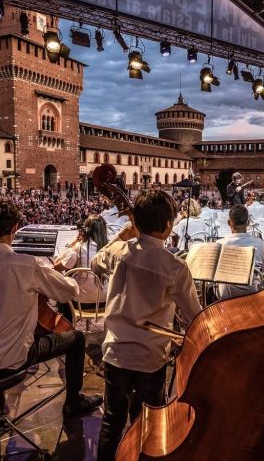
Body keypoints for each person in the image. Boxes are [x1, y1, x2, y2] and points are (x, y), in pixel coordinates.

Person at [0, 201, 101, 417]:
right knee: (77, 339)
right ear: (14, 228)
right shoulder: (27, 265)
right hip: (16, 356)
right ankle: (73, 402)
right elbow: (69, 292)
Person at [91, 189, 202, 461]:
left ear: (136, 223)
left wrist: (122, 236)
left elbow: (95, 263)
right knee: (146, 426)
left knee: (112, 422)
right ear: (168, 225)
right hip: (150, 358)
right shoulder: (175, 267)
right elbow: (194, 317)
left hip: (116, 353)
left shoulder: (119, 252)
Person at [215, 205, 264, 301]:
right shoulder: (259, 243)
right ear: (248, 222)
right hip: (252, 292)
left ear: (229, 223)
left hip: (226, 294)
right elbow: (261, 267)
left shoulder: (220, 243)